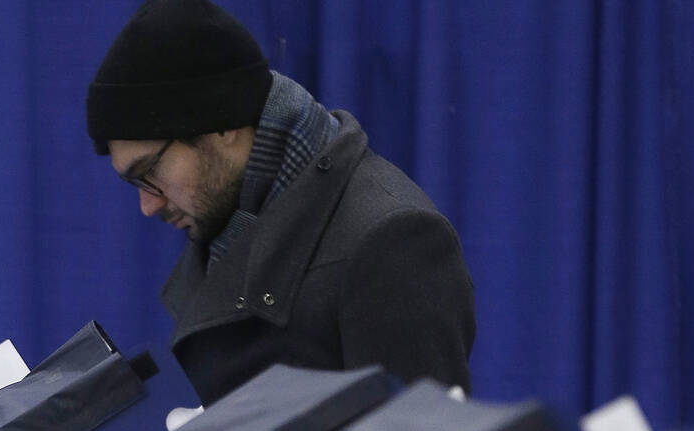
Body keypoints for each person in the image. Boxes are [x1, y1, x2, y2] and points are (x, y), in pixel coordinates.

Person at [87, 0, 476, 405]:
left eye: (150, 172)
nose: (147, 207)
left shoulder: (392, 241)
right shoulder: (231, 222)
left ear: (224, 125)